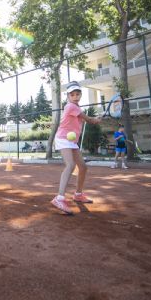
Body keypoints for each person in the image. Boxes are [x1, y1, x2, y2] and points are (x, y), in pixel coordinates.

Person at [50, 81, 102, 215]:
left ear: (80, 95)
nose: (75, 96)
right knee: (70, 165)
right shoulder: (71, 107)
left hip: (71, 141)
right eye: (72, 94)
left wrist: (95, 119)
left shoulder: (76, 107)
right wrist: (95, 119)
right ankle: (59, 198)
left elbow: (86, 119)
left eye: (77, 94)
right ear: (68, 96)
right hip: (63, 138)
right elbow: (89, 120)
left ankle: (78, 194)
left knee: (83, 167)